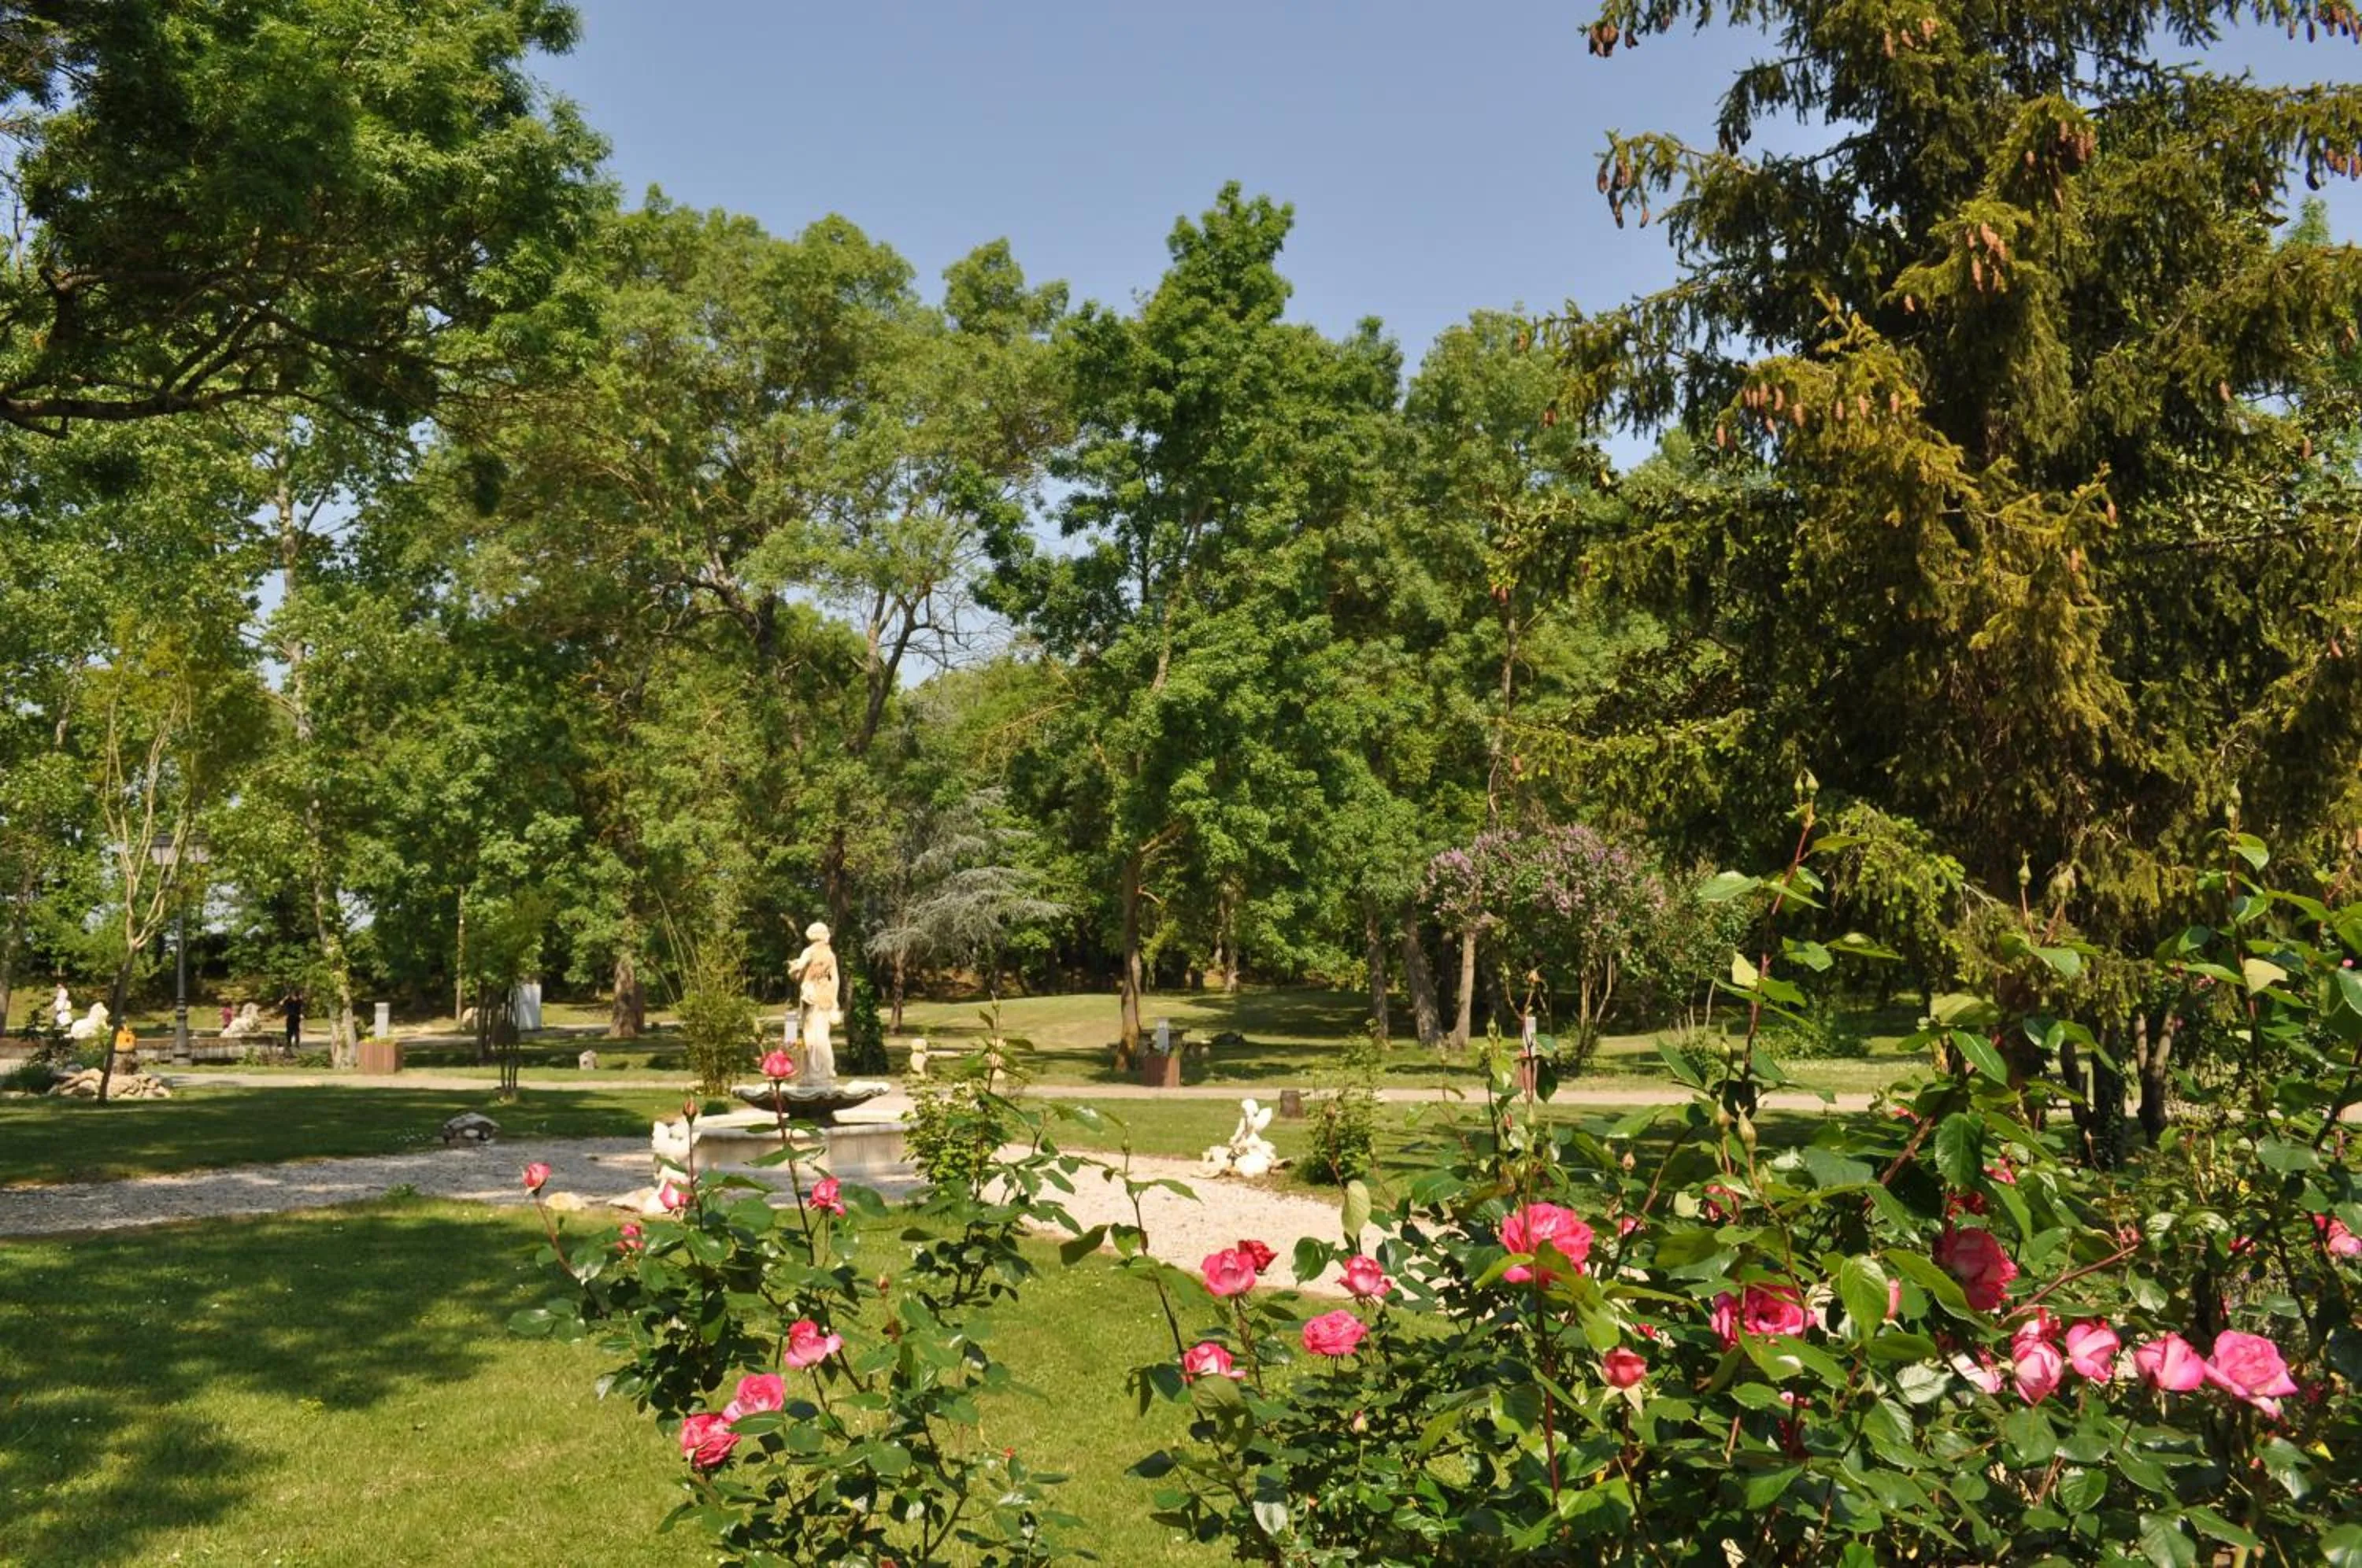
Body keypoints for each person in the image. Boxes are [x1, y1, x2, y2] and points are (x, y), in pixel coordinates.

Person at [787, 922, 840, 1083]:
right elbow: (836, 979)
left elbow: (797, 972)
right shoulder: (830, 954)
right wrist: (835, 1000)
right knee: (822, 1034)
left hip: (812, 996)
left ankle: (815, 1072)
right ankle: (826, 1071)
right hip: (826, 998)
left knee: (812, 1035)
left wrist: (792, 968)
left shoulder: (808, 952)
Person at [280, 988, 305, 1056]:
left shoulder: (299, 1001)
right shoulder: (289, 1001)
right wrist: (285, 998)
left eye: (294, 995)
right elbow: (281, 1004)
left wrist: (301, 1014)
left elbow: (302, 1008)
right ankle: (289, 1043)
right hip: (290, 1017)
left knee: (296, 1031)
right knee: (289, 1031)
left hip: (296, 1017)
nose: (293, 997)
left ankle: (297, 1043)